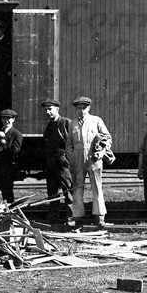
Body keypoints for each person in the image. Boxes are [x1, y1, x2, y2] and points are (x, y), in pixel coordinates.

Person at [69, 96, 113, 228]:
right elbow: (68, 144)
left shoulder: (96, 121)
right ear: (76, 109)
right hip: (77, 157)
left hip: (93, 158)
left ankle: (100, 217)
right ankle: (77, 216)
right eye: (79, 108)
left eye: (84, 108)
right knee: (77, 188)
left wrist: (102, 152)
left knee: (97, 187)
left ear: (89, 108)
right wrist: (71, 156)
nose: (81, 110)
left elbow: (107, 138)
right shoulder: (73, 123)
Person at [42, 99, 76, 228]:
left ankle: (71, 217)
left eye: (50, 109)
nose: (48, 112)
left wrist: (68, 159)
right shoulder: (48, 125)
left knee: (68, 189)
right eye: (46, 110)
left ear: (57, 109)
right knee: (52, 191)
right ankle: (53, 217)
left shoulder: (66, 123)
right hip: (51, 161)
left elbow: (72, 142)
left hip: (63, 161)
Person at [0, 109, 22, 206]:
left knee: (7, 194)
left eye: (8, 119)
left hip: (7, 168)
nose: (5, 121)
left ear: (13, 119)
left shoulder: (16, 134)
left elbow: (15, 151)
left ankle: (9, 216)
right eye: (3, 118)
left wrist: (3, 147)